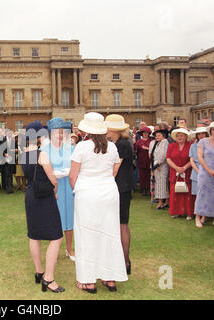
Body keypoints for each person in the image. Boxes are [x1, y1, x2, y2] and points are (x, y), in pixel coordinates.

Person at [69, 113, 128, 294]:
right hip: (108, 192)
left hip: (88, 193)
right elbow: (113, 171)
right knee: (108, 234)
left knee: (86, 235)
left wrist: (78, 190)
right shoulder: (112, 147)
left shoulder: (82, 146)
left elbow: (73, 175)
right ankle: (109, 278)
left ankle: (88, 281)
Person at [21, 121, 65, 294]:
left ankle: (39, 271)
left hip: (31, 194)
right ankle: (49, 278)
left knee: (34, 235)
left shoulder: (24, 154)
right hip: (43, 196)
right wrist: (55, 190)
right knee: (56, 236)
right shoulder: (42, 154)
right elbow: (53, 178)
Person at [41, 118, 76, 262]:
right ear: (51, 134)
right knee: (55, 220)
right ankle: (53, 251)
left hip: (69, 186)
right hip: (53, 188)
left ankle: (69, 249)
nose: (59, 136)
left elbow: (76, 166)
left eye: (62, 133)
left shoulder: (71, 148)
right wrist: (54, 174)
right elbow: (44, 170)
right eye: (56, 133)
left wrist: (70, 172)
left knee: (69, 219)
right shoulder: (44, 149)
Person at [105, 114, 135, 276]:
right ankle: (121, 260)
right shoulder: (117, 143)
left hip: (120, 188)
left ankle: (125, 261)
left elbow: (114, 170)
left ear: (114, 130)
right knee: (117, 223)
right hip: (118, 187)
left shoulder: (122, 144)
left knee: (122, 223)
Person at [194, 122, 214, 229]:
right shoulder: (203, 142)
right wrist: (208, 170)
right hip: (204, 172)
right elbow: (200, 157)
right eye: (213, 129)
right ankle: (198, 217)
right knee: (201, 194)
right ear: (210, 131)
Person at [166, 128, 194, 218]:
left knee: (187, 192)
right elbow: (168, 158)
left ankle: (188, 212)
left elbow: (192, 159)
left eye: (181, 135)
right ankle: (176, 211)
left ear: (186, 137)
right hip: (174, 172)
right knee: (175, 192)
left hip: (187, 171)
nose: (179, 137)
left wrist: (184, 167)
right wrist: (176, 168)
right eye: (177, 136)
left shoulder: (190, 145)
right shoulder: (171, 146)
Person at [149, 128, 170, 209]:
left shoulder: (164, 142)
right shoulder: (155, 143)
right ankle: (161, 201)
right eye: (156, 135)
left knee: (162, 184)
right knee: (157, 184)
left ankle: (163, 202)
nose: (157, 137)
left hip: (162, 166)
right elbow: (151, 154)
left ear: (163, 136)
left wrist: (158, 163)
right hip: (155, 166)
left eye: (159, 135)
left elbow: (163, 154)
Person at [189, 127, 209, 212]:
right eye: (199, 134)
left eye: (203, 134)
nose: (201, 136)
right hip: (196, 172)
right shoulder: (193, 146)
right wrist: (198, 171)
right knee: (198, 195)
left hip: (208, 171)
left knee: (207, 195)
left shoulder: (210, 145)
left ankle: (207, 213)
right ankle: (199, 213)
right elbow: (191, 160)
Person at [135, 126, 153, 196]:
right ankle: (143, 189)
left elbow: (150, 149)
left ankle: (148, 189)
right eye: (144, 133)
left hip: (149, 160)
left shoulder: (151, 141)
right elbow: (138, 147)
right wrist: (148, 148)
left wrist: (146, 148)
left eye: (146, 133)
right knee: (142, 176)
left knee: (148, 175)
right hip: (141, 161)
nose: (145, 134)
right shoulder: (139, 141)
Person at [0, 130, 16, 194]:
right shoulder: (2, 140)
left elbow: (15, 147)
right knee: (6, 174)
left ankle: (10, 187)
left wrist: (15, 150)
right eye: (9, 133)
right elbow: (0, 149)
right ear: (6, 133)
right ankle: (7, 188)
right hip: (5, 159)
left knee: (10, 174)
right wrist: (4, 154)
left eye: (11, 133)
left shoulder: (13, 140)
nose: (10, 134)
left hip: (11, 159)